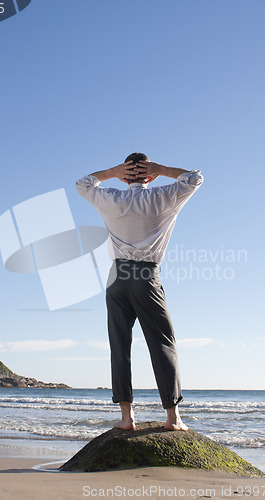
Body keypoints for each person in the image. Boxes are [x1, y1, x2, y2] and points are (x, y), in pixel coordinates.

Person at [76, 152, 203, 431]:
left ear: (125, 174)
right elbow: (195, 178)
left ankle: (126, 418)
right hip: (146, 276)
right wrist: (163, 169)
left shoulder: (111, 198)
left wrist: (111, 171)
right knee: (163, 343)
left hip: (118, 277)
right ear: (150, 174)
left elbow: (83, 183)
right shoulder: (163, 196)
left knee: (119, 345)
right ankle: (173, 418)